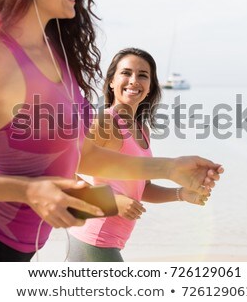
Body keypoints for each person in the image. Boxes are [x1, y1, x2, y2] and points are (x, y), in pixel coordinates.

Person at [0, 0, 223, 262]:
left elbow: (86, 155)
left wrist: (169, 169)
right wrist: (30, 191)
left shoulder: (59, 58)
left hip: (23, 252)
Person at [68, 48, 212, 261]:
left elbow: (143, 188)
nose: (134, 80)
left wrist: (181, 194)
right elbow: (63, 169)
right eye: (126, 73)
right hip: (94, 236)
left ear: (150, 87)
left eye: (143, 75)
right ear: (111, 81)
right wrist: (111, 201)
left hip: (111, 240)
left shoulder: (141, 130)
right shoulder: (105, 121)